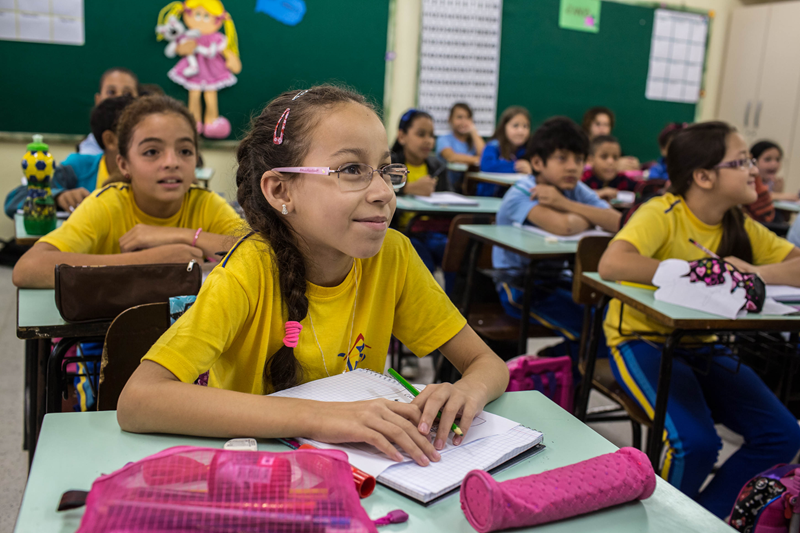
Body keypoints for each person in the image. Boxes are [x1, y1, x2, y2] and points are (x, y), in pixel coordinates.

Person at [116, 86, 510, 466]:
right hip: (254, 473)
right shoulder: (247, 272)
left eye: (387, 170)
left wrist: (466, 390)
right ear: (281, 190)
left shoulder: (393, 255)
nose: (383, 192)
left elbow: (487, 363)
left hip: (363, 471)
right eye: (352, 169)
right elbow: (139, 401)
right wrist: (322, 417)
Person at [597, 121, 800, 518]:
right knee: (696, 442)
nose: (754, 170)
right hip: (641, 340)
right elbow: (612, 262)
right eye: (741, 161)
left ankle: (698, 519)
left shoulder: (737, 223)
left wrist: (754, 272)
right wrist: (695, 274)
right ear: (704, 176)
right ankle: (655, 522)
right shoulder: (664, 212)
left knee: (783, 433)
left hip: (705, 346)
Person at [12, 95, 242, 289]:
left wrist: (185, 236)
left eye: (184, 150)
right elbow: (28, 269)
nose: (172, 162)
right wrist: (146, 261)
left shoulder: (206, 203)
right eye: (152, 152)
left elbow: (260, 253)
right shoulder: (107, 204)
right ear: (124, 164)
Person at [493, 117, 620, 358]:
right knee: (595, 332)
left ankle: (549, 363)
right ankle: (548, 367)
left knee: (610, 320)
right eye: (562, 158)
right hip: (518, 285)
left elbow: (616, 221)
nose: (573, 167)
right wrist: (589, 216)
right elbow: (565, 227)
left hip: (558, 280)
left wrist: (564, 203)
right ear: (538, 162)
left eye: (579, 160)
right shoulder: (522, 192)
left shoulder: (574, 189)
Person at [4, 95, 134, 218]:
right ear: (110, 140)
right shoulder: (78, 168)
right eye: (134, 134)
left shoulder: (149, 172)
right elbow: (13, 200)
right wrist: (57, 197)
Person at [157, 0, 242, 139]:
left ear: (218, 20)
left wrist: (232, 60)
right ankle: (193, 122)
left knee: (210, 94)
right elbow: (179, 49)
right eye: (197, 15)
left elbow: (226, 52)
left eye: (207, 16)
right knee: (194, 94)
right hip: (193, 69)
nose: (201, 20)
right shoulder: (189, 36)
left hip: (213, 70)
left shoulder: (218, 39)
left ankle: (211, 122)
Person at [79, 67, 139, 155]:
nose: (119, 97)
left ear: (140, 100)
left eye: (127, 94)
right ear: (98, 100)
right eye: (111, 92)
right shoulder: (87, 155)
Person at [478, 106, 531, 196]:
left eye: (525, 126)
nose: (521, 131)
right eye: (515, 126)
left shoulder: (529, 149)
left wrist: (531, 169)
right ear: (504, 127)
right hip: (490, 197)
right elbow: (487, 166)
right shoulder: (493, 145)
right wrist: (517, 167)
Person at [436, 102, 485, 191]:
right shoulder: (443, 139)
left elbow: (485, 155)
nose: (464, 122)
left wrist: (474, 132)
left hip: (470, 188)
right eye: (459, 117)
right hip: (446, 187)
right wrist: (477, 159)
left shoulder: (474, 141)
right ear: (450, 119)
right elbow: (451, 157)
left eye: (468, 118)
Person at [582, 106, 639, 171]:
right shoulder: (581, 147)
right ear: (588, 125)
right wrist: (615, 165)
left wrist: (631, 162)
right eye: (598, 124)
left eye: (606, 124)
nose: (602, 128)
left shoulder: (613, 147)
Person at [581, 135, 638, 201]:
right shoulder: (584, 179)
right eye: (604, 157)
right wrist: (600, 193)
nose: (611, 162)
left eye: (615, 157)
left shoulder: (623, 180)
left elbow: (640, 192)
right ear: (590, 160)